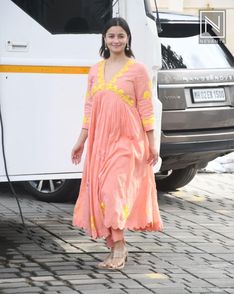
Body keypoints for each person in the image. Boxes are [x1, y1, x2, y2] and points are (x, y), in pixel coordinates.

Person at [71, 17, 163, 270]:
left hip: (128, 139)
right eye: (111, 36)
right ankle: (113, 246)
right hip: (100, 141)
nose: (116, 40)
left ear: (128, 38)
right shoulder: (95, 70)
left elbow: (146, 107)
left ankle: (120, 246)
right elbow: (89, 108)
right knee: (102, 192)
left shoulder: (138, 70)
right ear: (104, 39)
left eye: (121, 35)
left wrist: (152, 142)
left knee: (113, 192)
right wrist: (80, 141)